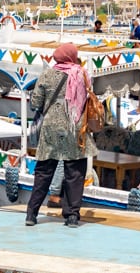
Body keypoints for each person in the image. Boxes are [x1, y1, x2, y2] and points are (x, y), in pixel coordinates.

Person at [24, 43, 97, 228]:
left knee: (43, 173)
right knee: (74, 174)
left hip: (51, 130)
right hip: (75, 129)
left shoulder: (47, 74)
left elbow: (35, 102)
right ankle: (72, 215)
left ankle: (31, 214)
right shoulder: (81, 74)